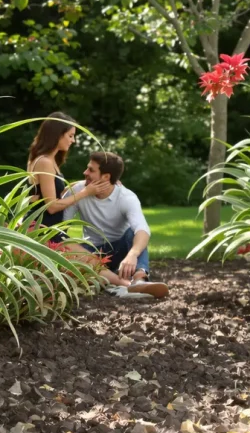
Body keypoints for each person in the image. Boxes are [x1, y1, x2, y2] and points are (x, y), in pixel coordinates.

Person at [63, 152, 169, 299]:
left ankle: (139, 278)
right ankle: (123, 283)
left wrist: (132, 255)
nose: (85, 172)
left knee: (134, 233)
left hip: (120, 251)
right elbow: (61, 228)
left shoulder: (126, 197)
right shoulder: (78, 192)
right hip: (92, 252)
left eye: (91, 170)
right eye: (87, 168)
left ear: (106, 177)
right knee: (68, 243)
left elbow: (142, 229)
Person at [26, 113, 110, 243]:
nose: (73, 140)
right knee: (93, 262)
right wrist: (85, 192)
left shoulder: (49, 160)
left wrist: (82, 184)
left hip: (51, 229)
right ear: (57, 134)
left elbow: (48, 195)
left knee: (95, 261)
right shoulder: (44, 162)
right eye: (70, 136)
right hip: (42, 231)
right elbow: (51, 206)